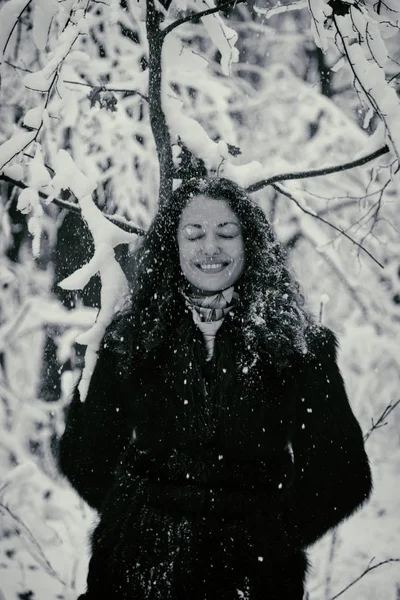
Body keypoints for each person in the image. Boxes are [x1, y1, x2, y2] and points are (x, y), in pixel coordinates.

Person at [58, 177, 372, 600]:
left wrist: (267, 539)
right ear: (174, 245)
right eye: (194, 234)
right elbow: (84, 455)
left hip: (253, 583)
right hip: (134, 580)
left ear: (250, 243)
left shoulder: (299, 349)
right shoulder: (130, 339)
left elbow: (342, 475)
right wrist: (138, 524)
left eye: (226, 233)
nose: (210, 248)